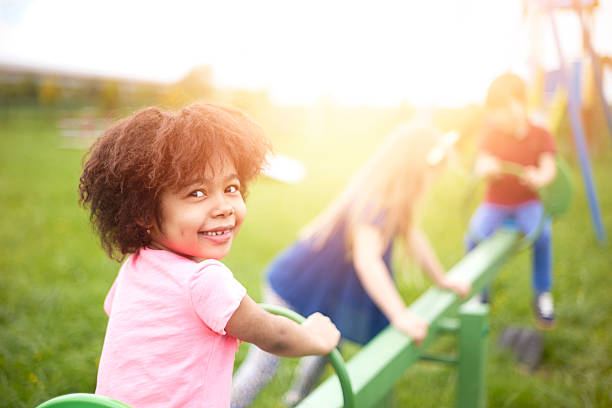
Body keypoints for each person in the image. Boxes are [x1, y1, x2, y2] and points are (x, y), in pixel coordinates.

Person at [78, 103, 340, 408]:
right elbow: (275, 335)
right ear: (142, 212)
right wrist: (316, 337)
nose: (224, 206)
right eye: (197, 193)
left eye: (231, 188)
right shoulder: (204, 280)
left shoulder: (134, 267)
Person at [231, 123, 471, 408]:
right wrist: (400, 315)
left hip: (325, 291)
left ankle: (298, 399)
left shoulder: (397, 199)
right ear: (412, 167)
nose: (433, 177)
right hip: (296, 285)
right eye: (431, 169)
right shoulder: (376, 200)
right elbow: (367, 259)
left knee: (325, 348)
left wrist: (441, 278)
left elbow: (413, 236)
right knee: (265, 364)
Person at [465, 72, 558, 329]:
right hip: (495, 203)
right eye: (493, 111)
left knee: (543, 235)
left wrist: (538, 177)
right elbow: (481, 162)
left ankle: (542, 293)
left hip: (528, 202)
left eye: (502, 109)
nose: (497, 117)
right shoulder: (492, 134)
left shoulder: (540, 133)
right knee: (473, 237)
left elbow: (549, 168)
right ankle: (479, 293)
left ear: (520, 104)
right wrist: (488, 166)